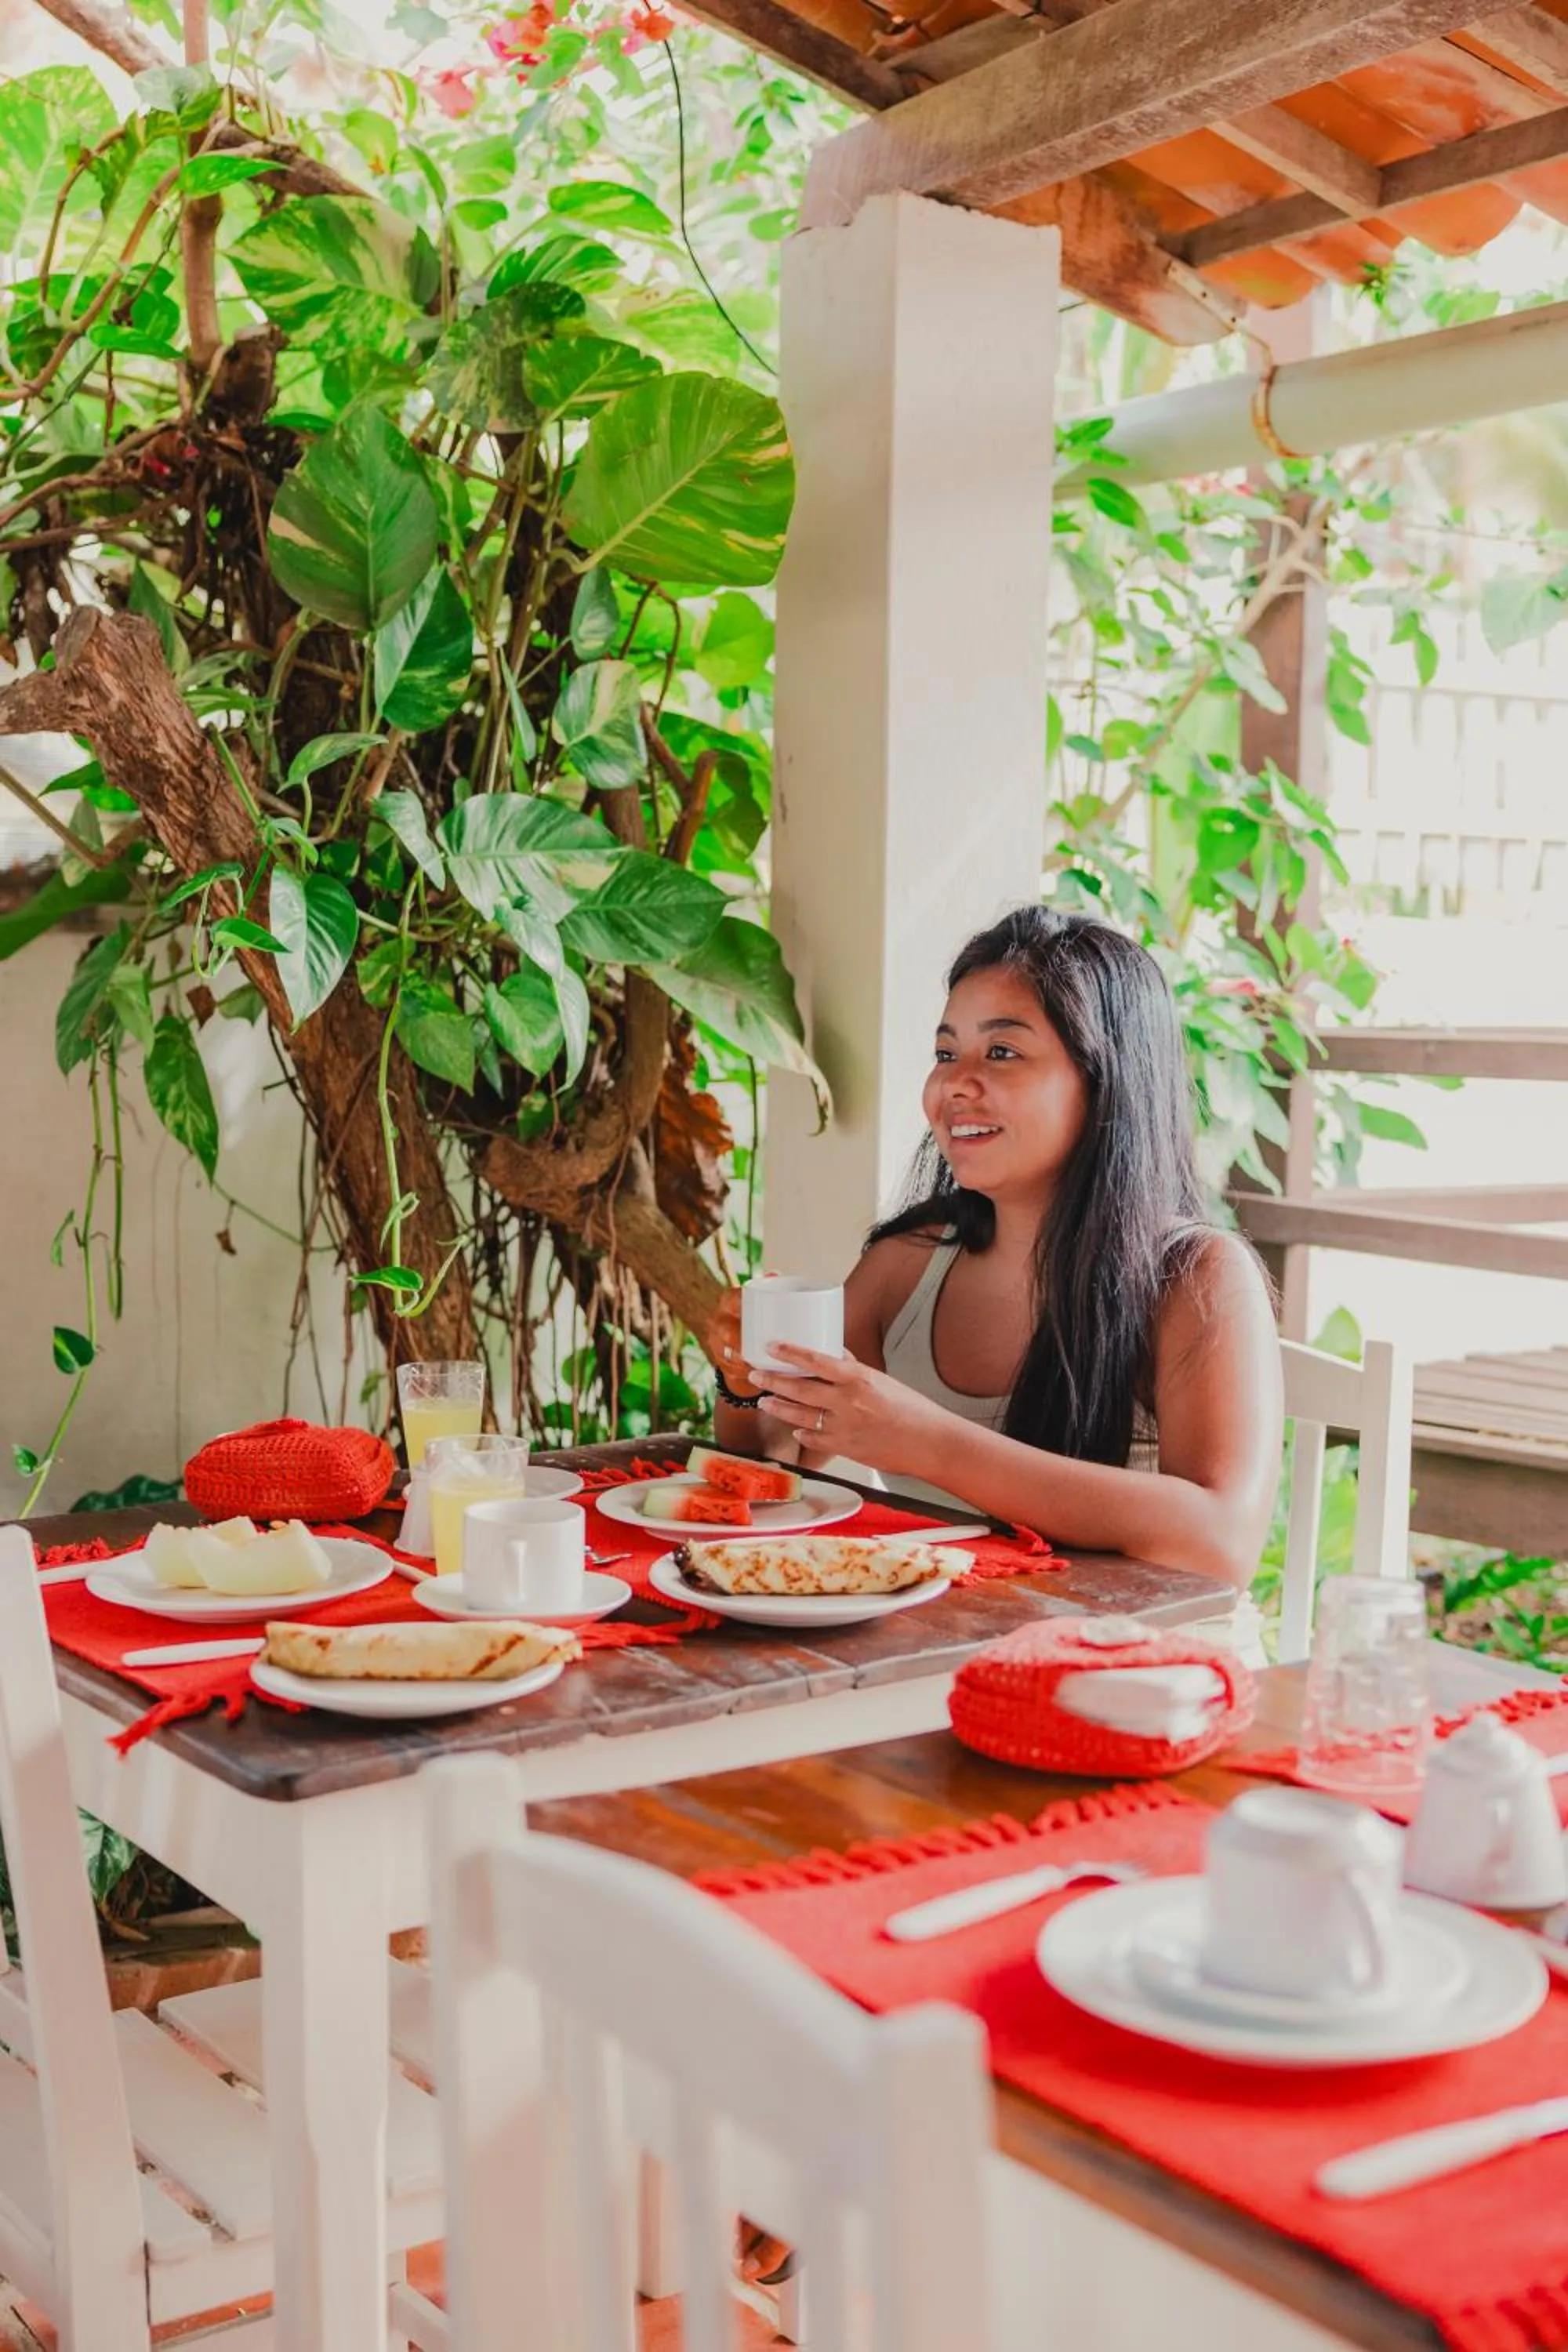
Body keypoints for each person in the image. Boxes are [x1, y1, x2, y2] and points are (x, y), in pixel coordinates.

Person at [706, 906, 1283, 1640]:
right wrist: (742, 1378)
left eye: (1003, 1054)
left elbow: (1220, 1541)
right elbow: (777, 1464)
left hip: (1144, 1676)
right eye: (947, 1054)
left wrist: (926, 1442)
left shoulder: (1196, 1277)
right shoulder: (906, 1264)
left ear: (1105, 1080)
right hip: (944, 1659)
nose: (956, 1085)